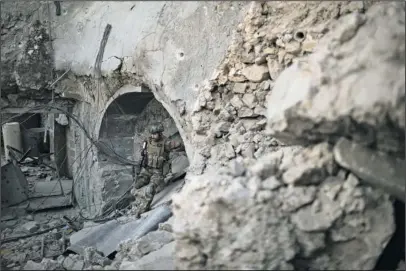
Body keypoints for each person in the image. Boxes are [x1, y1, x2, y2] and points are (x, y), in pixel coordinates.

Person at [130, 123, 183, 217]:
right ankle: (138, 203)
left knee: (150, 189)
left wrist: (175, 152)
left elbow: (179, 145)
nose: (153, 136)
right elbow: (144, 153)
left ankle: (143, 210)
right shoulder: (148, 141)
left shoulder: (166, 143)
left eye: (155, 134)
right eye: (152, 134)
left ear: (160, 133)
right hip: (146, 169)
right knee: (136, 185)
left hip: (158, 172)